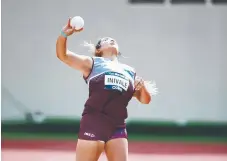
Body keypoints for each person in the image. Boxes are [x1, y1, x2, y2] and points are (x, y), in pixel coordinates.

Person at [56, 18, 154, 161]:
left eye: (113, 40)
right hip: (94, 122)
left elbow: (145, 100)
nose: (111, 40)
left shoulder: (129, 71)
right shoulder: (93, 63)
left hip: (118, 126)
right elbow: (63, 56)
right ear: (98, 49)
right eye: (106, 40)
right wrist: (63, 35)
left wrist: (143, 87)